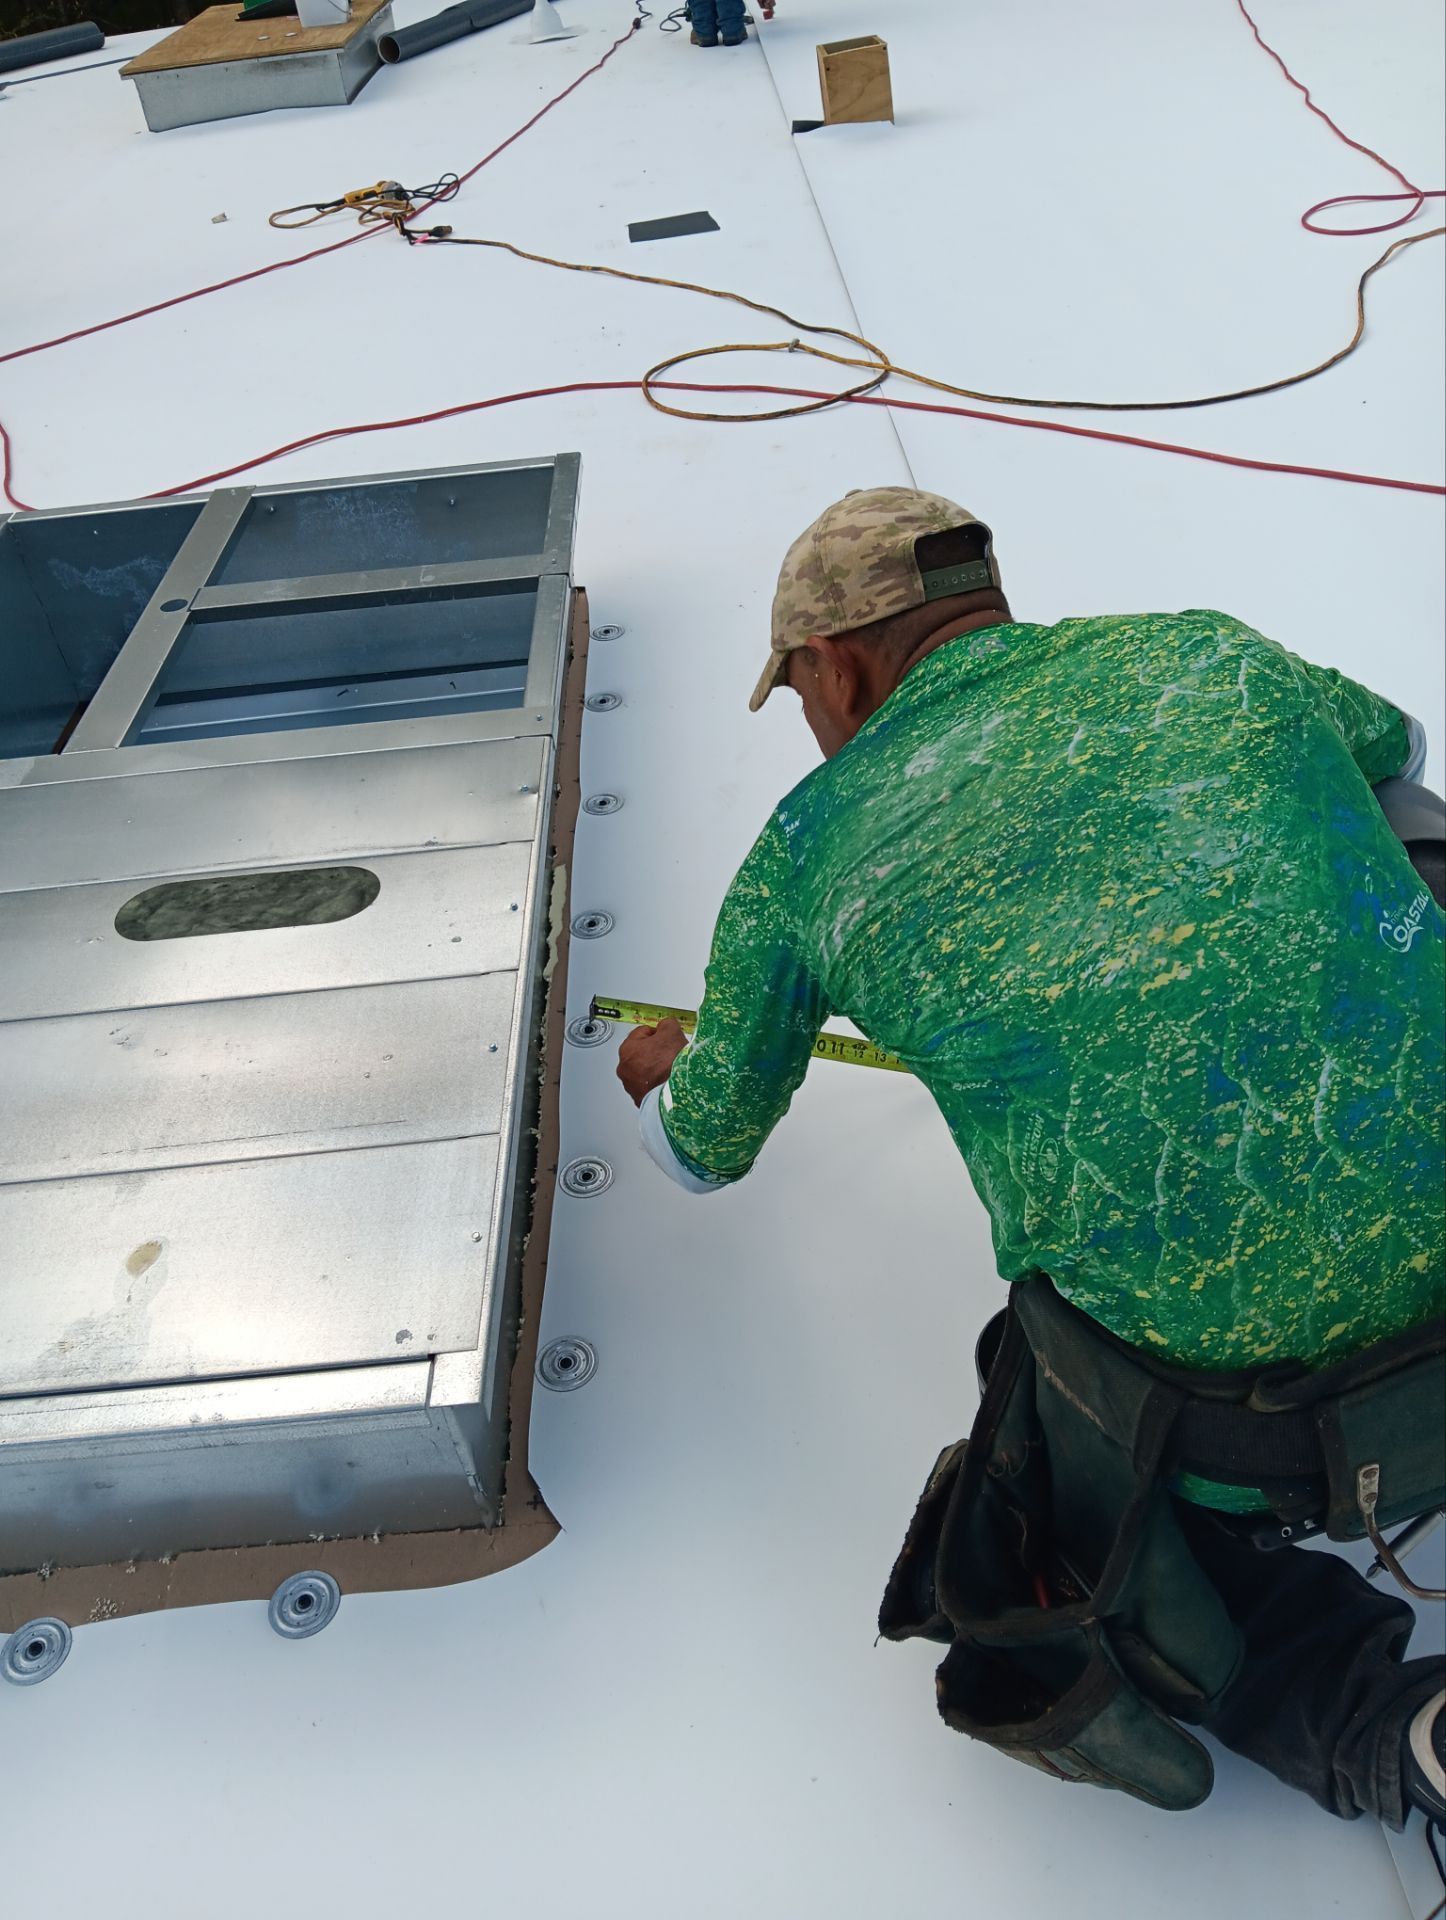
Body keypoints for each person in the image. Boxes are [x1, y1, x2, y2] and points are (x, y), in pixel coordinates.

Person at [616, 486, 1446, 1830]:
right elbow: (1391, 744)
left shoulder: (806, 851)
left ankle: (1380, 1722)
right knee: (1406, 824)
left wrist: (669, 1062)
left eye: (806, 691)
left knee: (1040, 1433)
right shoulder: (1202, 653)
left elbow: (702, 1152)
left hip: (1264, 1436)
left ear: (835, 663)